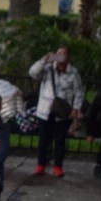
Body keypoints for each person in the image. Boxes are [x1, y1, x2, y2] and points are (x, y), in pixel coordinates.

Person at [28, 47, 84, 176]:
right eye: (58, 53)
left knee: (60, 140)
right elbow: (32, 73)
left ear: (68, 57)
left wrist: (76, 107)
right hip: (46, 110)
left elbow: (79, 91)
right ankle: (41, 164)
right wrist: (43, 60)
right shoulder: (47, 69)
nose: (61, 56)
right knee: (44, 139)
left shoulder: (73, 73)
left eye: (64, 53)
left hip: (62, 111)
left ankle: (58, 166)